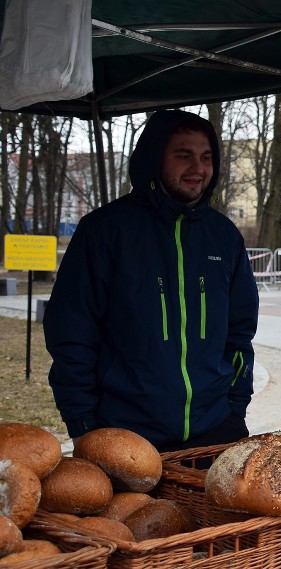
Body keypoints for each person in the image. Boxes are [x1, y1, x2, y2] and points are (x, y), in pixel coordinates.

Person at [43, 110, 260, 452]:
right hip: (125, 433)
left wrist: (234, 408)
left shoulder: (223, 236)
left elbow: (240, 333)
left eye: (206, 158)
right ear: (153, 158)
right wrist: (83, 424)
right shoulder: (104, 231)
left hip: (215, 427)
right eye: (183, 155)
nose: (198, 168)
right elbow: (71, 334)